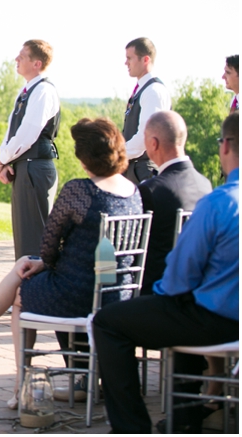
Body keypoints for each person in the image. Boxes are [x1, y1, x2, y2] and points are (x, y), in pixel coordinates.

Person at [0, 118, 141, 409]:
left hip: (80, 296)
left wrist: (44, 262)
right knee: (25, 263)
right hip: (117, 293)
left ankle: (21, 383)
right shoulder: (134, 193)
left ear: (85, 159)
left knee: (21, 291)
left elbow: (48, 246)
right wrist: (42, 261)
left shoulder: (80, 191)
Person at [93, 112, 238, 434]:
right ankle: (183, 417)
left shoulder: (220, 203)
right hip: (224, 314)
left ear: (226, 146)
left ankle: (131, 428)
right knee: (182, 309)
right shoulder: (204, 185)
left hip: (220, 319)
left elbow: (179, 278)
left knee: (108, 322)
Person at [0, 40, 60, 260]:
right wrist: (4, 161)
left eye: (22, 56)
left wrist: (2, 160)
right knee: (24, 239)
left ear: (37, 63)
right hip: (24, 167)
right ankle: (25, 289)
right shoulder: (25, 92)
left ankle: (37, 291)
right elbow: (12, 132)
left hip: (36, 168)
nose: (16, 59)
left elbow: (28, 133)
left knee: (35, 239)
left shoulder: (43, 91)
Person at [137, 110, 212, 294]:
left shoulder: (151, 190)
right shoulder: (205, 184)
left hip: (154, 292)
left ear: (153, 143)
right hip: (195, 288)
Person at [122, 37, 171, 185]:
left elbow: (146, 136)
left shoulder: (153, 91)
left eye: (129, 58)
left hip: (144, 170)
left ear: (145, 60)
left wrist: (118, 155)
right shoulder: (144, 89)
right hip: (135, 168)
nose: (126, 63)